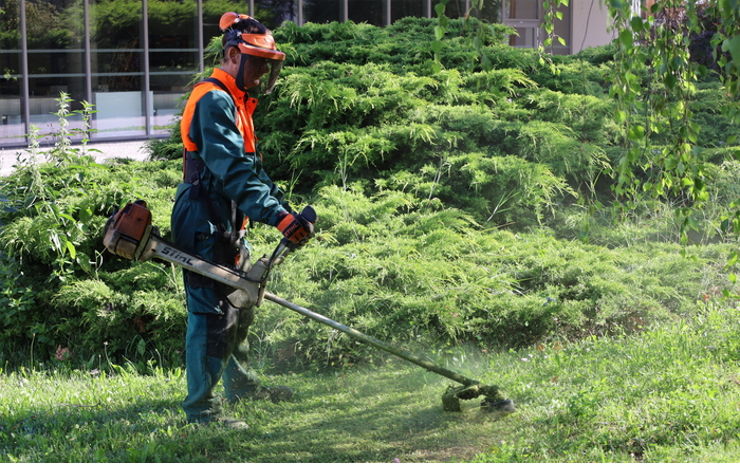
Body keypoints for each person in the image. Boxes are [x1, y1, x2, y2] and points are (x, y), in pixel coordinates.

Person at [171, 12, 314, 427]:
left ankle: (243, 384)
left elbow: (251, 168)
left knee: (240, 303)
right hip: (204, 218)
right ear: (234, 55)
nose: (265, 71)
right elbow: (231, 171)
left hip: (228, 217)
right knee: (212, 312)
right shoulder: (214, 99)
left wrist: (283, 212)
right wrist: (275, 216)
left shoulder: (235, 99)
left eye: (269, 64)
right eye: (258, 62)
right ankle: (201, 410)